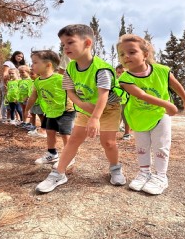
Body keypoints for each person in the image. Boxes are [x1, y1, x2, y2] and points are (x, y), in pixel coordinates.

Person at [35, 24, 126, 193]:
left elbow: (103, 96)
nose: (65, 47)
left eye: (70, 42)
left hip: (108, 109)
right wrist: (84, 107)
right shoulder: (70, 67)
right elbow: (70, 91)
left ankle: (115, 168)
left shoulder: (101, 68)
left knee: (108, 142)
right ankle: (59, 174)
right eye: (63, 44)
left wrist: (95, 118)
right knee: (74, 139)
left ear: (87, 43)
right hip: (87, 108)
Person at [117, 34, 185, 195]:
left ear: (145, 54)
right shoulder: (125, 78)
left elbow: (176, 85)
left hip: (160, 114)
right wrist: (168, 104)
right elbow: (141, 95)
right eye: (122, 54)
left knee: (161, 145)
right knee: (142, 147)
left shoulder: (162, 70)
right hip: (139, 116)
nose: (126, 57)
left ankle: (160, 177)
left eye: (132, 52)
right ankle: (144, 172)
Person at [24, 50, 76, 166]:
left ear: (48, 65)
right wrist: (26, 109)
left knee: (64, 133)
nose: (32, 65)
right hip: (51, 111)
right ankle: (52, 154)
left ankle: (69, 157)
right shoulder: (37, 81)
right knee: (50, 132)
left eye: (35, 62)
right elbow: (33, 97)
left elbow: (74, 91)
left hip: (66, 110)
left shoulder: (60, 78)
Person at [0, 51, 26, 122]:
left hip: (16, 86)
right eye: (18, 56)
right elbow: (5, 73)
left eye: (21, 57)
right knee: (5, 101)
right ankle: (4, 118)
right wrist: (5, 84)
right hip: (8, 84)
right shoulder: (9, 63)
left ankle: (13, 119)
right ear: (14, 56)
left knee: (15, 103)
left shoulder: (20, 65)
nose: (20, 58)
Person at [115, 64, 132, 140]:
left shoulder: (129, 80)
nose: (121, 74)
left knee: (126, 118)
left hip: (127, 102)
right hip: (117, 102)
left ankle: (127, 133)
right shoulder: (115, 81)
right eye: (119, 72)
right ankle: (115, 130)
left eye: (123, 72)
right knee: (117, 118)